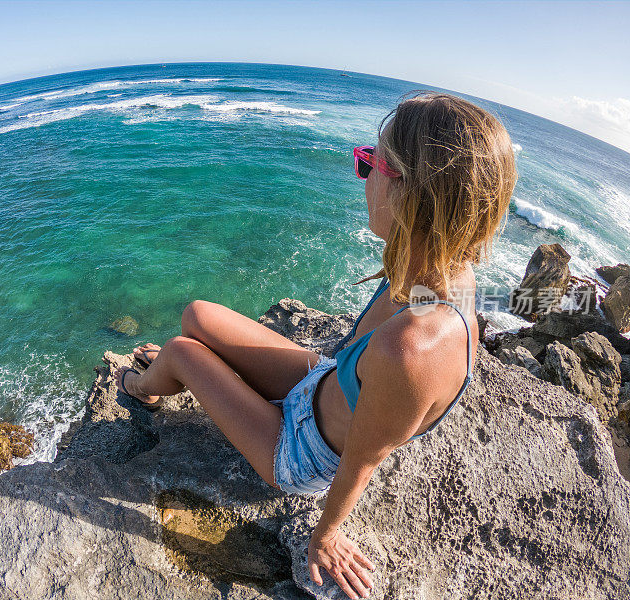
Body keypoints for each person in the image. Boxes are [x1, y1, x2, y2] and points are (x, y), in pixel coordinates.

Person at [113, 91, 517, 599]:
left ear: (411, 196)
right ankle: (175, 374)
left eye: (369, 162)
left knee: (181, 352)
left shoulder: (414, 348)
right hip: (325, 383)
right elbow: (355, 349)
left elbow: (365, 458)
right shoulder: (437, 264)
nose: (362, 175)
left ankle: (139, 386)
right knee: (198, 315)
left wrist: (325, 535)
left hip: (300, 451)